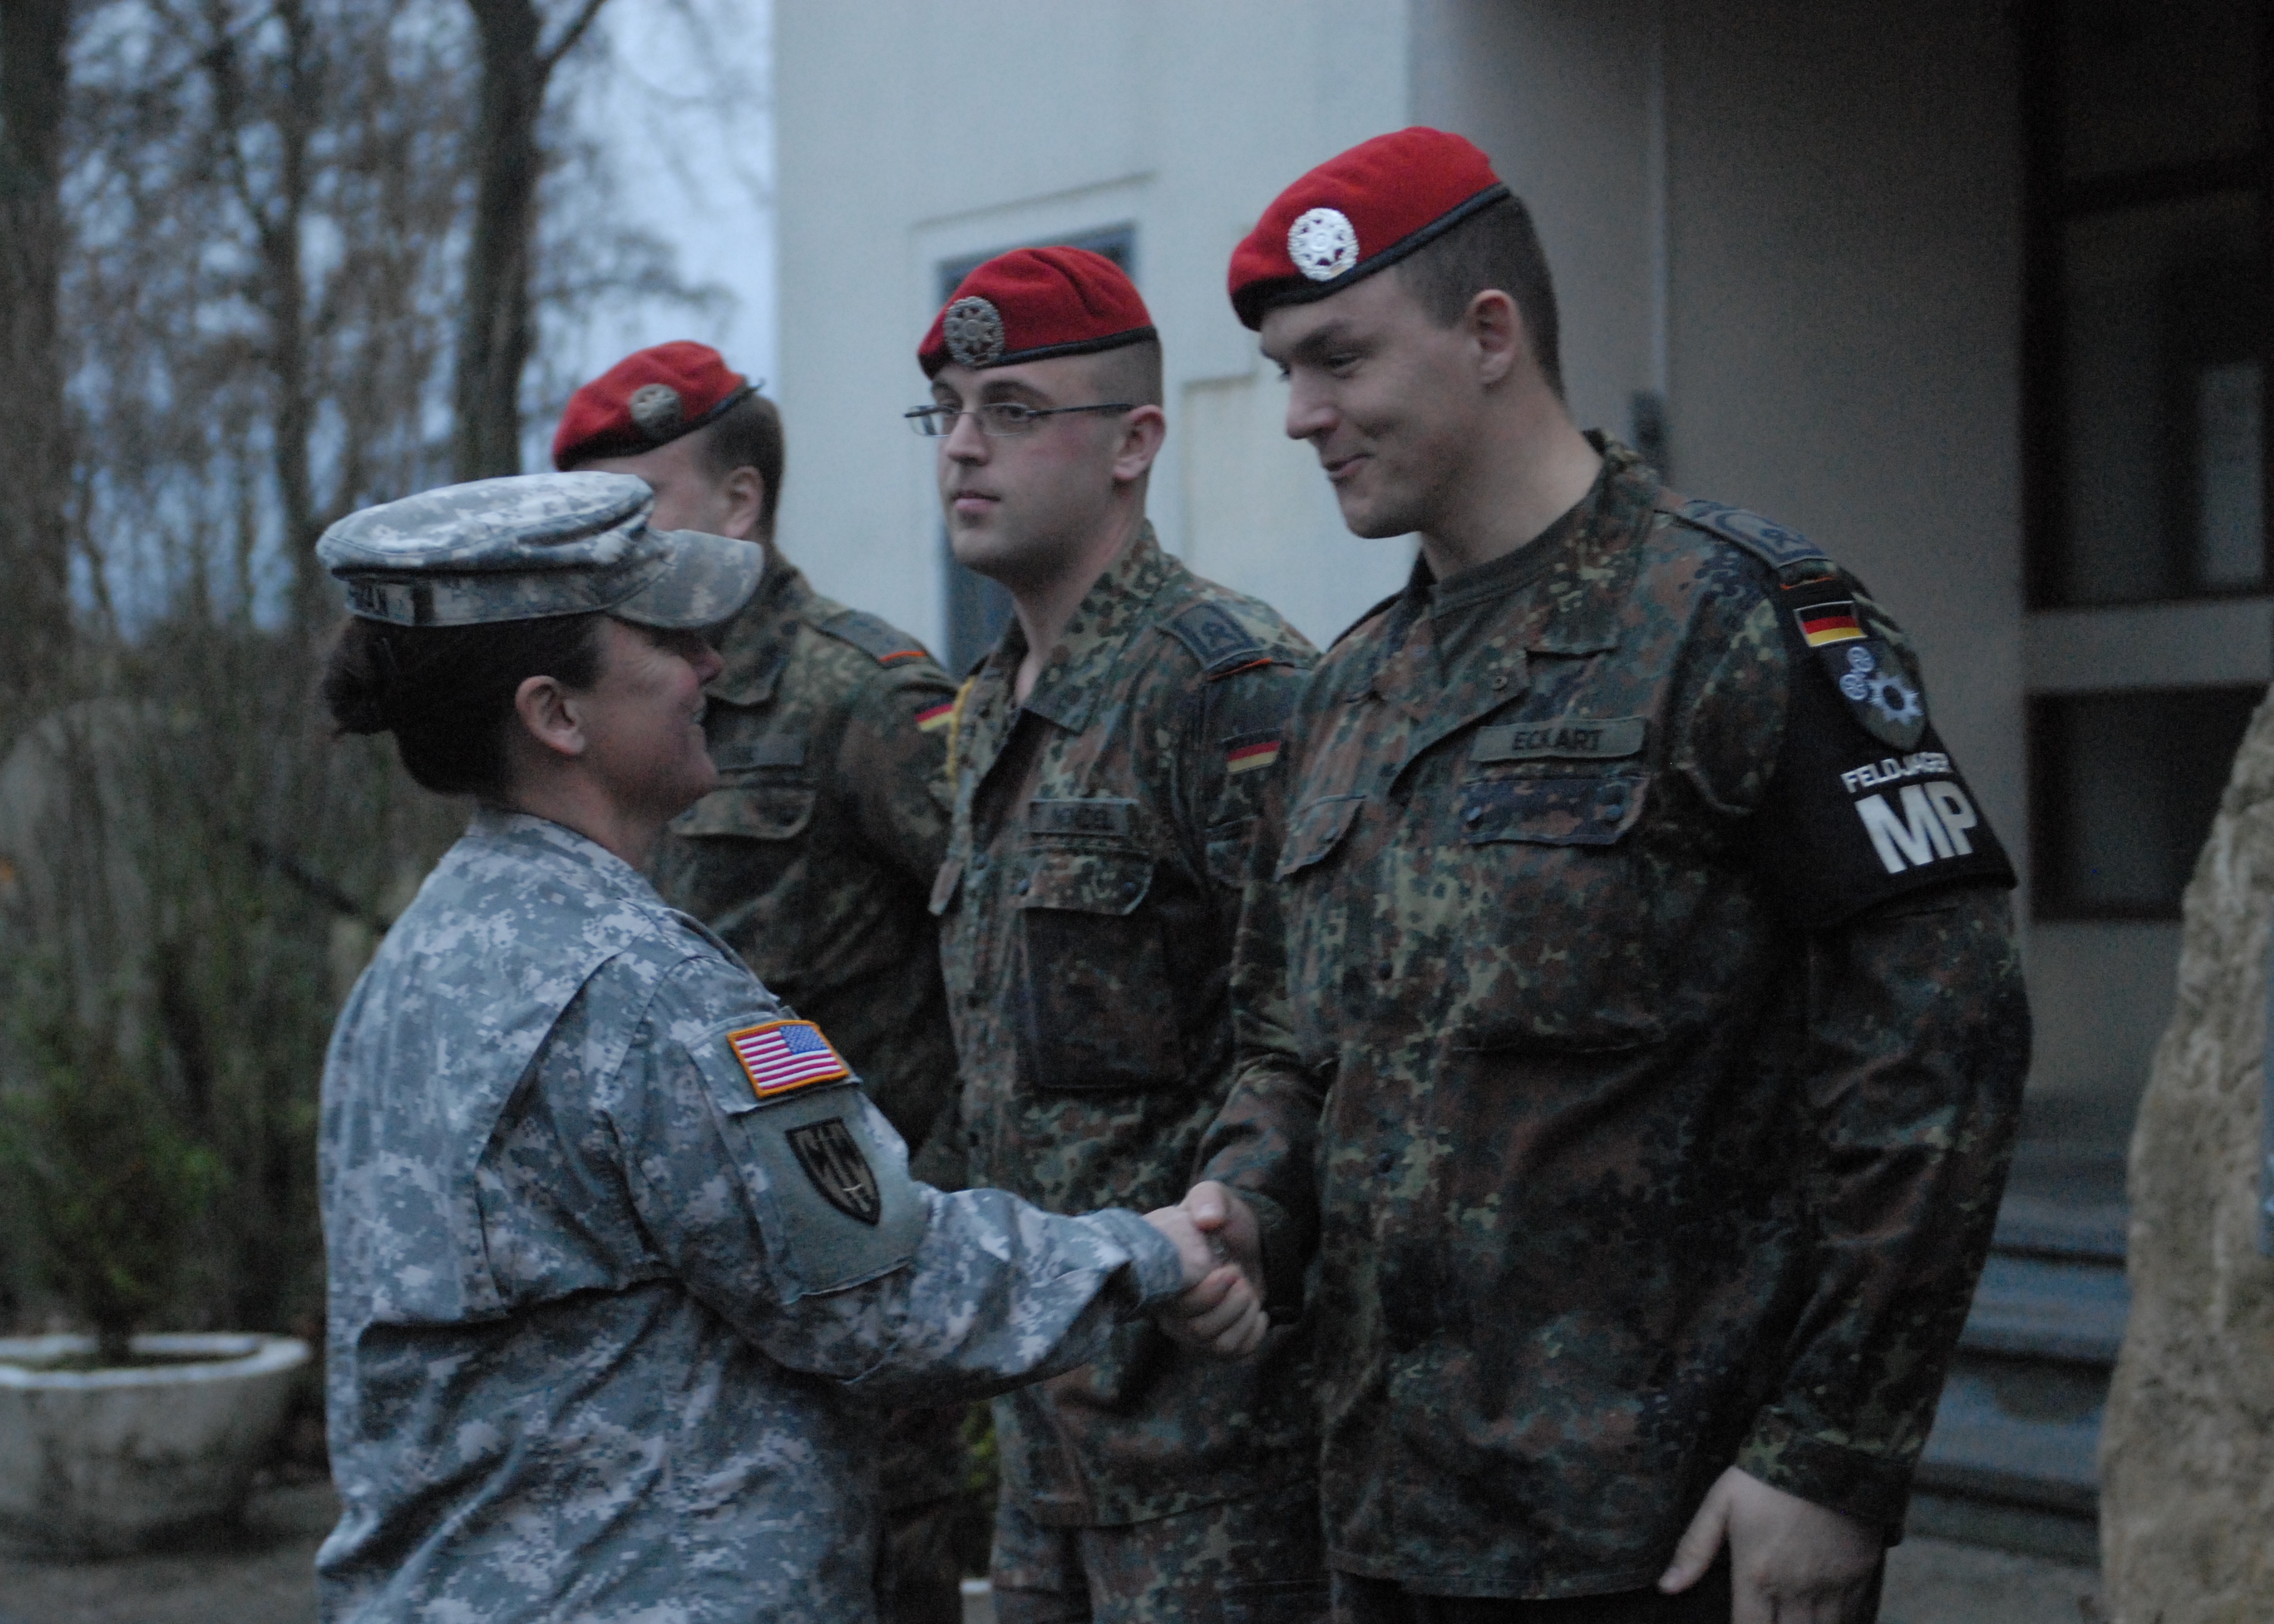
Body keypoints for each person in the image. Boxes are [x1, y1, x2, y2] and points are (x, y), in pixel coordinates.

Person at [1175, 128, 2030, 1624]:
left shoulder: (1740, 622)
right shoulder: (1350, 691)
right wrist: (1246, 1198)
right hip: (1391, 1514)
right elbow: (1286, 1042)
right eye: (1285, 370)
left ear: (1488, 333)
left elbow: (1936, 1059)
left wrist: (1831, 1455)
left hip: (1673, 1533)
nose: (1301, 414)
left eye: (1338, 360)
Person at [310, 472, 1266, 1623]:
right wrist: (1154, 1253)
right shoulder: (638, 986)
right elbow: (884, 1290)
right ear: (554, 712)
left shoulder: (418, 963)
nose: (712, 664)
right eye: (665, 636)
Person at [914, 247, 1328, 1623]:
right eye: (948, 409)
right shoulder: (984, 712)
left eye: (1014, 409)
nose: (963, 446)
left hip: (1216, 1447)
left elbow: (1318, 1021)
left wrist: (1243, 1217)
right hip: (1044, 1435)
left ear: (1134, 444)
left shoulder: (1228, 685)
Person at [554, 344, 969, 1622]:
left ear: (739, 505)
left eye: (639, 505)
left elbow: (999, 947)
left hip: (848, 1281)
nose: (605, 545)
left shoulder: (864, 694)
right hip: (673, 1303)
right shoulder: (598, 705)